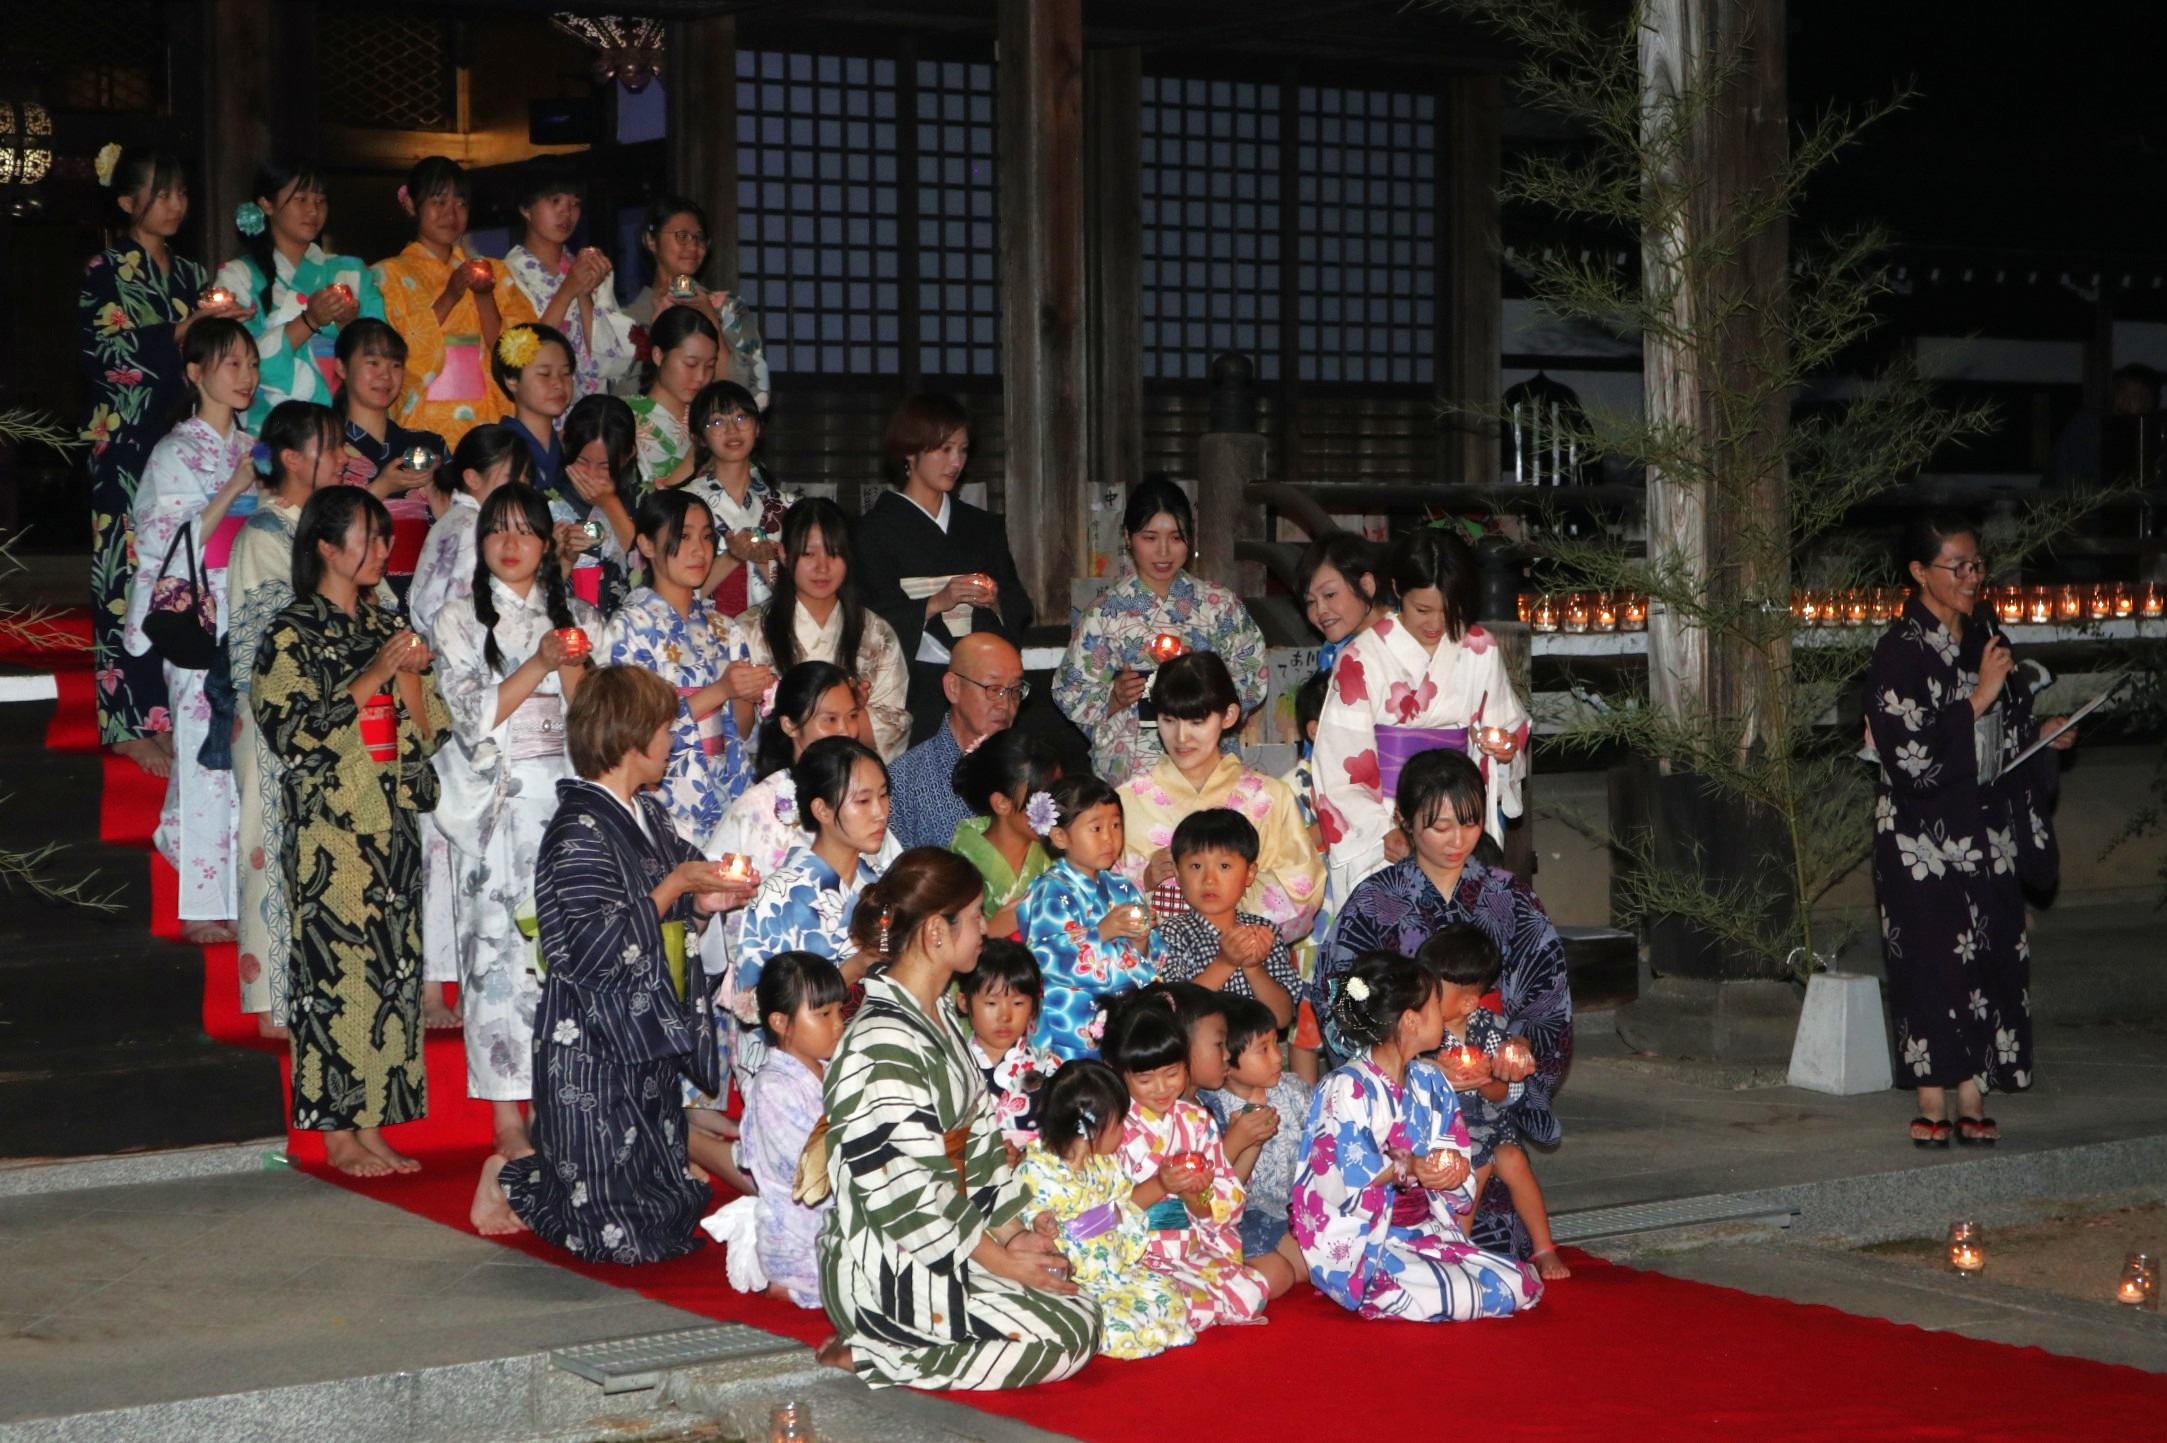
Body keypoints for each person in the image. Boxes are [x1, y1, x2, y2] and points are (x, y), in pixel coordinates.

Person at [471, 665, 756, 1256]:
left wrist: (706, 902)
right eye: (665, 728)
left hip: (647, 1022)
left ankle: (540, 1174)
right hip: (591, 1038)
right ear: (632, 738)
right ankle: (513, 1175)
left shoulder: (651, 816)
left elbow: (678, 911)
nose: (672, 739)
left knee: (668, 1221)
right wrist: (675, 886)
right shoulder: (576, 829)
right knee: (617, 1241)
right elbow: (591, 947)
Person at [812, 846, 1099, 1390]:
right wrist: (1001, 1262)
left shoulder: (939, 1013)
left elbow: (982, 1152)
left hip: (949, 1239)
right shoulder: (882, 1039)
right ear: (935, 933)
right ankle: (877, 1352)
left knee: (1079, 1303)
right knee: (1064, 1338)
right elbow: (907, 1193)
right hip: (890, 1260)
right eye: (974, 916)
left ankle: (903, 1341)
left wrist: (1016, 1237)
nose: (986, 927)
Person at [253, 487, 450, 1177]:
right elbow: (292, 733)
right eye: (366, 537)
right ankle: (337, 1133)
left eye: (384, 537)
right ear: (325, 547)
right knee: (335, 979)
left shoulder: (385, 623)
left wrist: (412, 675)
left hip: (390, 818)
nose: (381, 550)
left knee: (392, 974)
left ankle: (372, 1123)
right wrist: (377, 672)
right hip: (330, 830)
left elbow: (430, 732)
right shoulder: (290, 632)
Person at [1317, 748, 1570, 1258]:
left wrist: (1516, 1050)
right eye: (1440, 827)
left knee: (1499, 1237)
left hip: (1487, 1094)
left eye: (1471, 823)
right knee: (1404, 1233)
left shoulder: (1510, 898)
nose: (1458, 840)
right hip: (1404, 1110)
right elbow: (1343, 1001)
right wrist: (1406, 1062)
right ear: (1405, 821)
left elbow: (1546, 996)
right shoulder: (1373, 903)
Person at [1869, 514, 2070, 1146]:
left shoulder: (1987, 634)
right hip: (1919, 836)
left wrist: (2042, 735)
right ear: (1919, 572)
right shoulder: (1898, 650)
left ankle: (1974, 1088)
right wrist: (1979, 697)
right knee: (1931, 958)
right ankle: (1933, 1093)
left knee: (1988, 954)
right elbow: (1910, 755)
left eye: (1976, 564)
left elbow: (2011, 726)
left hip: (1986, 825)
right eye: (1956, 566)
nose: (1971, 577)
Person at [431, 483, 603, 1159]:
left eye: (525, 531)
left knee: (560, 955)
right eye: (496, 530)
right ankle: (507, 1114)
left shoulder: (580, 618)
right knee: (495, 955)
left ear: (546, 543)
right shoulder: (456, 619)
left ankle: (563, 1097)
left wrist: (573, 667)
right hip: (497, 805)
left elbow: (593, 724)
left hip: (562, 801)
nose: (510, 544)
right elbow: (470, 715)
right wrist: (541, 661)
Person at [81, 146, 241, 774]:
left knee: (185, 571)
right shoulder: (105, 268)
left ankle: (174, 711)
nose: (175, 205)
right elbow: (103, 354)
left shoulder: (192, 272)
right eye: (160, 193)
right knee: (127, 574)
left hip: (185, 435)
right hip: (127, 439)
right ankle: (126, 722)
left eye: (181, 193)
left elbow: (205, 349)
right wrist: (181, 330)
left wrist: (222, 331)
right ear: (128, 202)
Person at [1291, 950, 1543, 1322]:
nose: (1443, 1016)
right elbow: (1345, 1173)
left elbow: (1452, 1143)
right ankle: (1382, 1286)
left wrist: (1451, 1169)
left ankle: (1430, 1280)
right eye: (1436, 1007)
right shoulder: (1346, 1086)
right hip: (1370, 1238)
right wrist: (1413, 1167)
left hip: (1424, 1228)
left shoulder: (1430, 1080)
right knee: (1448, 1293)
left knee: (1513, 1284)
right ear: (1411, 1021)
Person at [122, 315, 259, 946]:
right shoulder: (175, 452)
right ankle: (202, 903)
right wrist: (234, 489)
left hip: (253, 607)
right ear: (196, 373)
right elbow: (165, 541)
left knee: (244, 757)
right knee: (206, 757)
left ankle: (243, 894)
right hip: (201, 618)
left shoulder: (254, 445)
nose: (246, 376)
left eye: (252, 364)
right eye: (232, 364)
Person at [1312, 526, 1528, 905]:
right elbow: (1338, 765)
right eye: (1423, 610)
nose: (1436, 624)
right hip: (1387, 818)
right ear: (1397, 590)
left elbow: (1505, 728)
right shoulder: (1361, 658)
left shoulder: (1479, 648)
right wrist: (1384, 830)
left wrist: (1504, 751)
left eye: (1449, 610)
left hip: (1457, 824)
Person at [227, 400, 344, 1035]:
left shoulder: (338, 527)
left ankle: (326, 986)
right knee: (271, 842)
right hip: (276, 714)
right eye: (332, 447)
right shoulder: (263, 534)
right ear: (294, 459)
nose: (346, 457)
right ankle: (274, 999)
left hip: (339, 711)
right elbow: (265, 636)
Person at [1053, 476, 1268, 784]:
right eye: (1150, 538)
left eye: (1176, 538)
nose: (1163, 552)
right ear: (1128, 537)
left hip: (1207, 759)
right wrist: (1113, 697)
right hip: (1135, 765)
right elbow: (1070, 691)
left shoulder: (1220, 606)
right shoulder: (1104, 613)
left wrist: (1205, 681)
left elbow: (1253, 675)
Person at [853, 395, 1035, 744]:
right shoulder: (873, 531)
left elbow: (1019, 603)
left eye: (962, 450)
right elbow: (868, 617)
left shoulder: (982, 526)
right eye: (944, 449)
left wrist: (996, 602)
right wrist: (936, 602)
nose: (956, 462)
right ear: (910, 452)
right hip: (914, 685)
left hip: (982, 688)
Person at [1112, 651, 1322, 939]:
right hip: (1154, 959)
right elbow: (1092, 892)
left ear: (1229, 716)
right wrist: (1144, 879)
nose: (1181, 737)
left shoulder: (1269, 796)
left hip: (1245, 958)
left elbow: (1301, 890)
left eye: (1197, 722)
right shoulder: (1127, 800)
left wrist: (1230, 905)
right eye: (1169, 720)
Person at [601, 490, 769, 842]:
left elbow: (739, 731)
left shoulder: (725, 628)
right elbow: (631, 729)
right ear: (647, 545)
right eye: (684, 536)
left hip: (723, 789)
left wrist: (746, 694)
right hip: (662, 795)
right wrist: (721, 691)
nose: (699, 550)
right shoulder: (628, 627)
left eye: (706, 537)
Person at [1100, 991, 1269, 1331]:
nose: (1161, 1088)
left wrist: (1198, 1199)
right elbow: (1100, 1209)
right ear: (1119, 1073)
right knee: (1173, 1302)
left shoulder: (1196, 1121)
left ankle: (1177, 1309)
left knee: (1252, 1292)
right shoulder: (1110, 1127)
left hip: (1190, 1248)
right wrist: (1160, 1185)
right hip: (1136, 1253)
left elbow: (1228, 1193)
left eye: (1172, 1073)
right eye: (1145, 1080)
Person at [729, 736, 892, 1084]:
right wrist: (852, 969)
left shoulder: (883, 887)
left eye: (883, 795)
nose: (880, 812)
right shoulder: (777, 897)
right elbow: (756, 1010)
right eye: (863, 801)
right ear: (822, 810)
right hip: (798, 1081)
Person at [1016, 1059, 1197, 1361]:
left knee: (1165, 1293)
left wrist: (1121, 1215)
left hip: (1112, 1263)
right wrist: (1039, 1222)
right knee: (1108, 1317)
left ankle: (1156, 1330)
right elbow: (1023, 1209)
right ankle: (1128, 1337)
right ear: (1091, 1128)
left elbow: (1124, 1201)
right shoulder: (1039, 1167)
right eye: (1120, 1122)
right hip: (1075, 1273)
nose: (1124, 1131)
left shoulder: (1105, 1164)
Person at [1417, 924, 1569, 1281]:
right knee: (1478, 1160)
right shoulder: (1420, 1028)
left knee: (1513, 1159)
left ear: (1469, 1002)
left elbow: (1501, 1097)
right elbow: (1399, 1068)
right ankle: (1459, 1247)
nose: (1423, 997)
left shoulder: (1490, 1030)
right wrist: (1431, 1069)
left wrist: (1489, 1077)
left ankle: (1543, 1247)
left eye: (1434, 992)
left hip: (1488, 1123)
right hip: (1439, 1131)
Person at [370, 155, 538, 448]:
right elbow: (393, 353)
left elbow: (516, 354)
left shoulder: (496, 272)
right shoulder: (386, 275)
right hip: (423, 417)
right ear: (411, 205)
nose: (451, 213)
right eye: (439, 202)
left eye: (461, 203)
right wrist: (450, 296)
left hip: (485, 417)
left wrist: (484, 297)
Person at [214, 157, 378, 429]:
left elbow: (383, 353)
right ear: (266, 204)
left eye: (320, 200)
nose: (313, 210)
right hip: (269, 424)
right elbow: (232, 361)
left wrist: (348, 326)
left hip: (346, 421)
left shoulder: (352, 271)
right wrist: (309, 321)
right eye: (301, 199)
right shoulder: (238, 276)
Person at [743, 498, 912, 760]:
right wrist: (847, 711)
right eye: (808, 554)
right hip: (775, 775)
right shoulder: (750, 630)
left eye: (833, 553)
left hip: (852, 775)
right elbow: (739, 732)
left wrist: (826, 714)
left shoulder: (876, 632)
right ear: (784, 554)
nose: (822, 567)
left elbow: (893, 726)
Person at [706, 660, 902, 878]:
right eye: (830, 719)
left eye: (852, 716)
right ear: (790, 725)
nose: (846, 731)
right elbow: (715, 885)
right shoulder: (755, 808)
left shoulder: (862, 790)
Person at [1017, 775, 1165, 1058]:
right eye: (1096, 828)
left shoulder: (1121, 887)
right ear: (1060, 836)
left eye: (1116, 825)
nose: (1109, 838)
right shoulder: (1050, 890)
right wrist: (1102, 932)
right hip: (1070, 1024)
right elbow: (1047, 956)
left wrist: (1142, 940)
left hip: (1121, 1022)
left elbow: (1148, 957)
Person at [742, 951, 848, 1309]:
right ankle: (786, 1283)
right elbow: (810, 1173)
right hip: (800, 1232)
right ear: (780, 1022)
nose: (838, 1024)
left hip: (836, 1214)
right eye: (823, 1014)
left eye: (839, 1011)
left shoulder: (830, 1071)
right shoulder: (772, 1088)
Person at [1202, 995, 1312, 1298]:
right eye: (1263, 1049)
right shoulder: (1212, 1107)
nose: (1277, 1057)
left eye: (1276, 1043)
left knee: (1314, 1267)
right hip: (1240, 1214)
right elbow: (1211, 1185)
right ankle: (1210, 1281)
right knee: (1280, 1276)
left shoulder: (1293, 1090)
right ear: (1227, 1060)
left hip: (1288, 1208)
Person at [617, 196, 770, 409]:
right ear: (651, 240)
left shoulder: (729, 309)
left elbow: (752, 396)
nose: (693, 246)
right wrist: (654, 329)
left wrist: (712, 320)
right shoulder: (627, 318)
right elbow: (622, 398)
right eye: (682, 236)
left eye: (700, 238)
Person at [1154, 809, 1301, 1028]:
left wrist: (1254, 967)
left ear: (1249, 873)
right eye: (1196, 866)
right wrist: (1226, 963)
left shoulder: (1263, 931)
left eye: (1224, 866)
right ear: (1177, 872)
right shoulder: (1170, 934)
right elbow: (1176, 1013)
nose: (1209, 880)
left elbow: (1281, 1018)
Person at [502, 160, 636, 400]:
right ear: (525, 208)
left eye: (575, 203)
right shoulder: (505, 274)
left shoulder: (589, 269)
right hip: (538, 407)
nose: (567, 212)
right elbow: (519, 359)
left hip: (590, 409)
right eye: (555, 201)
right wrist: (567, 291)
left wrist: (584, 294)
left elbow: (613, 362)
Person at [887, 633, 1028, 851]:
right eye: (993, 689)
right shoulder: (903, 781)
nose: (1006, 704)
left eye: (1015, 690)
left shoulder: (1030, 769)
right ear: (953, 687)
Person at [682, 380, 795, 617]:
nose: (732, 430)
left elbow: (803, 592)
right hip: (703, 632)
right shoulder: (683, 503)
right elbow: (674, 593)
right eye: (717, 421)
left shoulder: (788, 507)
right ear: (699, 437)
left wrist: (763, 562)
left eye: (742, 418)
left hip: (770, 633)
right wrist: (733, 557)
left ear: (758, 427)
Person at [947, 728, 1060, 937]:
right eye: (1043, 798)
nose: (1057, 807)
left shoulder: (1060, 846)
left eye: (1060, 792)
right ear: (1002, 803)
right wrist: (991, 932)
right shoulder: (957, 871)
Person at [958, 939, 1061, 1150]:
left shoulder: (1051, 1067)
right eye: (991, 1003)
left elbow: (1066, 1140)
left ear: (1033, 1006)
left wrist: (1026, 1158)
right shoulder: (952, 1066)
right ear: (964, 1002)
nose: (1005, 1016)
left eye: (1018, 1003)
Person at [330, 319, 445, 501]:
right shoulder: (326, 448)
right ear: (341, 368)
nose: (386, 375)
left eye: (396, 365)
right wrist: (382, 487)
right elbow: (318, 516)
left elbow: (460, 515)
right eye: (373, 363)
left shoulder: (428, 445)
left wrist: (432, 487)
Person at [559, 393, 641, 611]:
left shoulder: (644, 501)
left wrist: (610, 504)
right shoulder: (545, 502)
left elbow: (651, 570)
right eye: (582, 461)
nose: (591, 474)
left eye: (605, 466)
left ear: (629, 455)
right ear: (564, 442)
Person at [626, 306, 718, 493]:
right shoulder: (622, 416)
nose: (701, 376)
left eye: (710, 366)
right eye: (691, 364)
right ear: (658, 355)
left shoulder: (713, 418)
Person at [1298, 532, 1387, 677]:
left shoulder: (1408, 641)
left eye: (1329, 594)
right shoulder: (1332, 652)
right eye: (1310, 601)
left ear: (1366, 585)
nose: (1320, 610)